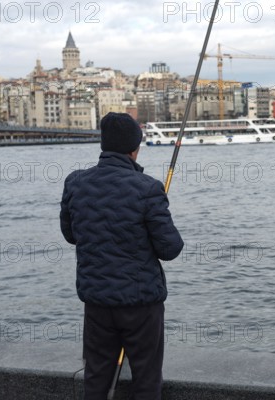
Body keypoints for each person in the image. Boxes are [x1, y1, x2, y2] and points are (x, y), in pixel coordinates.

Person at [60, 112, 184, 399]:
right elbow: (170, 249)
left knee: (96, 377)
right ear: (134, 148)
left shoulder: (75, 183)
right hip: (141, 304)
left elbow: (71, 235)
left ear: (103, 146)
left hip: (97, 301)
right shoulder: (149, 188)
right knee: (146, 378)